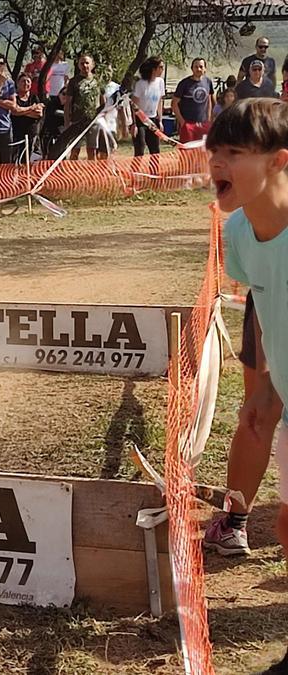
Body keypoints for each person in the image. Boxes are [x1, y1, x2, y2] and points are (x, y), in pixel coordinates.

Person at [205, 99, 288, 675]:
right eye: (214, 151)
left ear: (279, 161)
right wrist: (263, 388)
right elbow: (261, 299)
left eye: (234, 152)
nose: (217, 163)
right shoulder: (237, 230)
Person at [60, 53, 106, 159]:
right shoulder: (73, 82)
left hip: (93, 121)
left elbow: (103, 101)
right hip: (77, 120)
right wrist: (67, 122)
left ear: (92, 65)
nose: (85, 65)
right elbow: (68, 104)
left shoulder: (97, 81)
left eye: (87, 63)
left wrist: (103, 118)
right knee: (75, 150)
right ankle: (73, 173)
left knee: (92, 151)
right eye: (82, 63)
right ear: (78, 65)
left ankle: (90, 174)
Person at [171, 58, 214, 143]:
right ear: (192, 69)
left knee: (202, 151)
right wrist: (182, 122)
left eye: (201, 67)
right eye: (196, 67)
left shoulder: (208, 82)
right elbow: (174, 104)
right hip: (188, 124)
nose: (198, 69)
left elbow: (209, 100)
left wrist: (209, 119)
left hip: (203, 123)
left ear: (205, 69)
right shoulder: (184, 84)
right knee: (187, 153)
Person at [130, 57, 166, 157]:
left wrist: (160, 120)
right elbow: (134, 104)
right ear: (153, 69)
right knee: (140, 148)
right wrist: (133, 124)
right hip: (140, 119)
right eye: (160, 67)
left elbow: (160, 101)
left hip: (153, 119)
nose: (162, 70)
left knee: (155, 149)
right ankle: (135, 172)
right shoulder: (140, 84)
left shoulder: (160, 82)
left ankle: (154, 171)